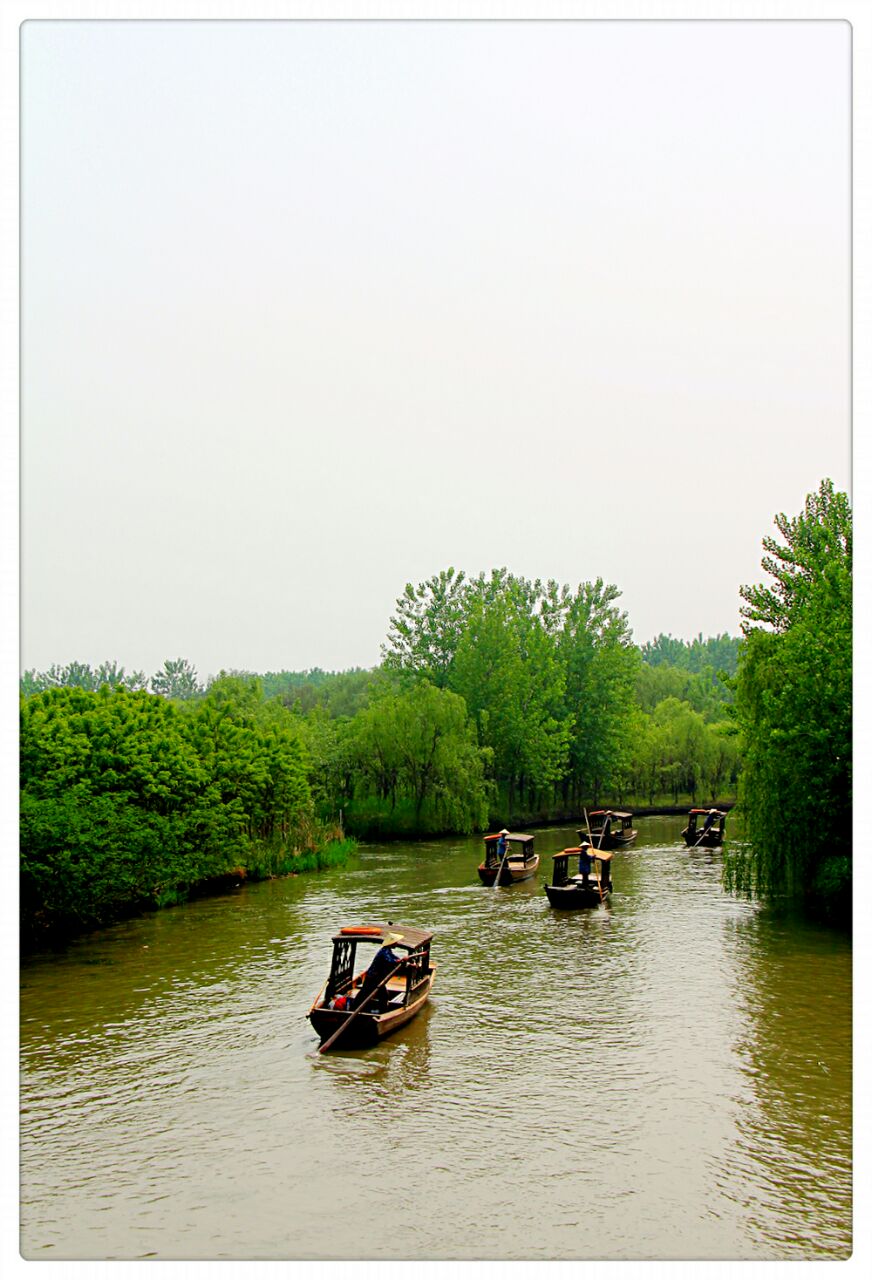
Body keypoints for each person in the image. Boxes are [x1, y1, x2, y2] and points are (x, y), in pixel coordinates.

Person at [353, 932, 405, 1011]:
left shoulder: (388, 951)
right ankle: (355, 1009)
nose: (397, 944)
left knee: (380, 995)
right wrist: (401, 960)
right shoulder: (384, 952)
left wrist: (403, 960)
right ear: (391, 943)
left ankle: (380, 1011)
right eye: (396, 942)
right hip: (373, 978)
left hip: (376, 978)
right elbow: (391, 961)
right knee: (365, 995)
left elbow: (395, 958)